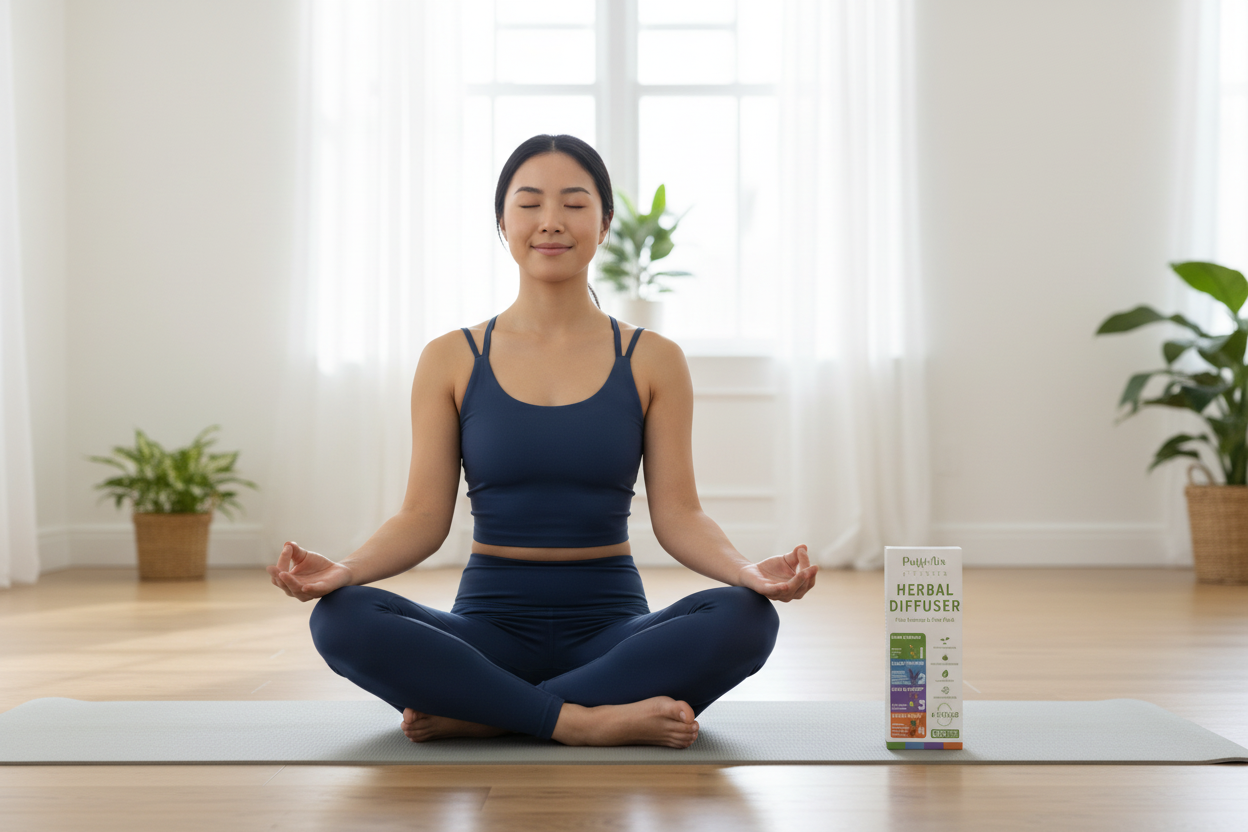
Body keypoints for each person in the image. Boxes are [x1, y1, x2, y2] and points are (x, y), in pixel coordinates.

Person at [267, 134, 819, 749]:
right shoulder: (451, 357)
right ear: (502, 222)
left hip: (612, 630)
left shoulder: (653, 359)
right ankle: (584, 720)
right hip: (488, 628)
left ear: (605, 222)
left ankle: (484, 710)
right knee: (342, 618)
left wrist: (747, 572)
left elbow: (679, 514)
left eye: (575, 204)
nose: (551, 221)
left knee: (745, 619)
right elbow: (422, 517)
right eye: (529, 203)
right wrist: (341, 571)